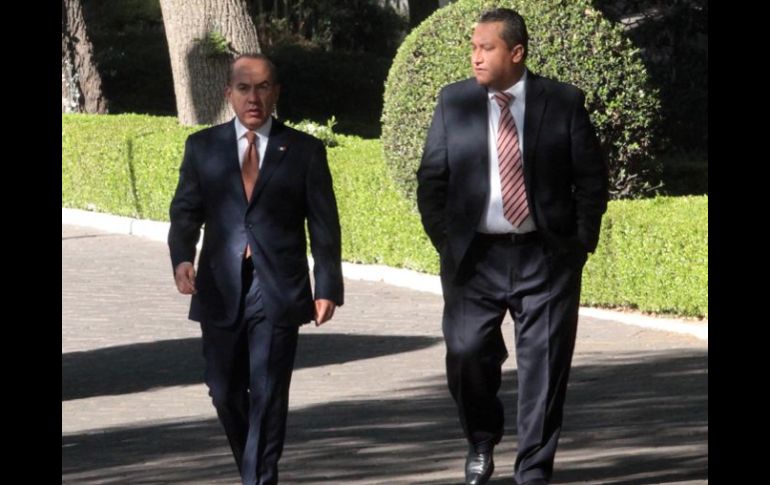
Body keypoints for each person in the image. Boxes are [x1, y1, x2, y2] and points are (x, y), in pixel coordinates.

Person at [416, 8, 608, 485]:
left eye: (487, 48)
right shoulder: (454, 101)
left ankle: (533, 472)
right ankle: (481, 438)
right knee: (466, 354)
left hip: (546, 257)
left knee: (544, 371)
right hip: (474, 260)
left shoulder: (562, 102)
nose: (476, 57)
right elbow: (432, 180)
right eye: (473, 48)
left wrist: (579, 243)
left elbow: (591, 178)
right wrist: (448, 242)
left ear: (516, 52)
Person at [168, 53, 344, 485]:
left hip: (277, 286)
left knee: (267, 392)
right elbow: (186, 210)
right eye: (244, 88)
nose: (254, 98)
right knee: (223, 390)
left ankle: (258, 479)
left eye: (263, 87)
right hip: (220, 284)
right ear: (228, 93)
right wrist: (182, 257)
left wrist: (326, 286)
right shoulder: (203, 147)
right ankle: (254, 468)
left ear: (275, 92)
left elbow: (324, 225)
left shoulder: (303, 151)